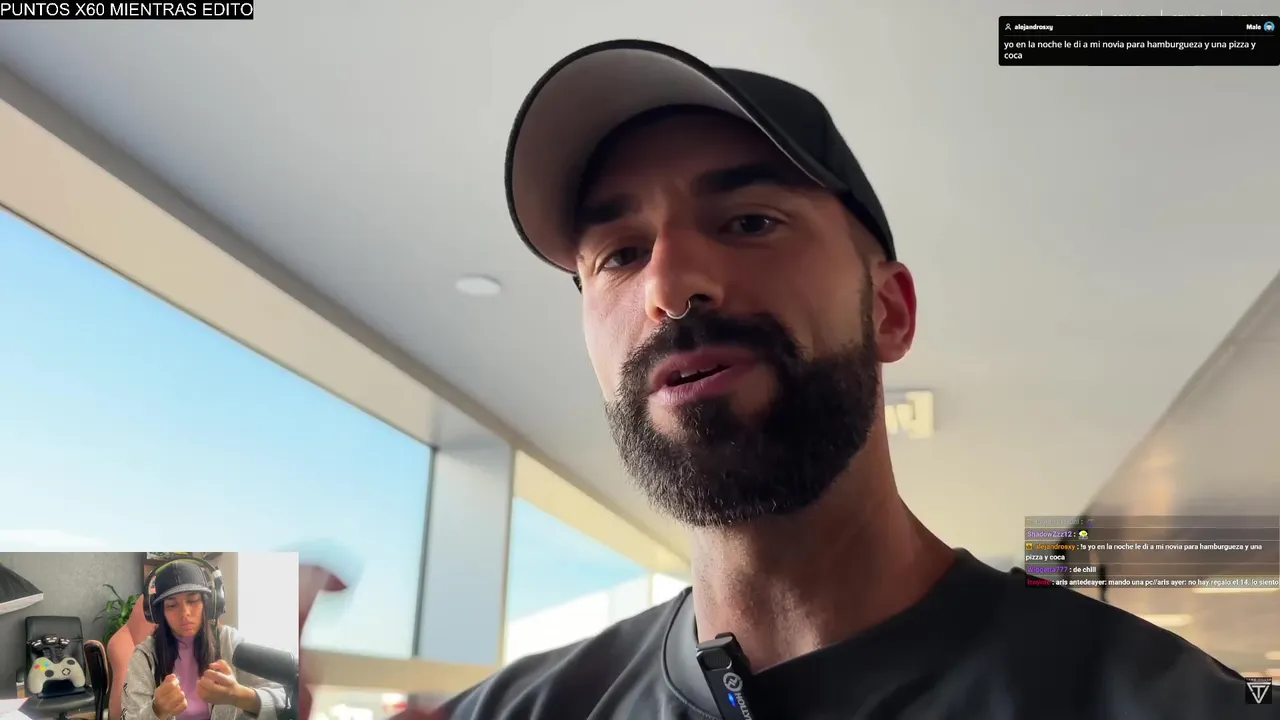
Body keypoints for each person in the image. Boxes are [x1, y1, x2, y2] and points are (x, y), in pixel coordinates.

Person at [359, 39, 1254, 719]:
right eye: (620, 254)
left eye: (749, 221)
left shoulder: (1161, 702)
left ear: (889, 311)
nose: (670, 286)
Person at [122, 560, 287, 720]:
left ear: (209, 604)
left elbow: (284, 699)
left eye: (193, 600)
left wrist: (238, 695)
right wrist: (157, 710)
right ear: (159, 613)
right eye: (172, 605)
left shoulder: (231, 642)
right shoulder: (145, 657)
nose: (185, 613)